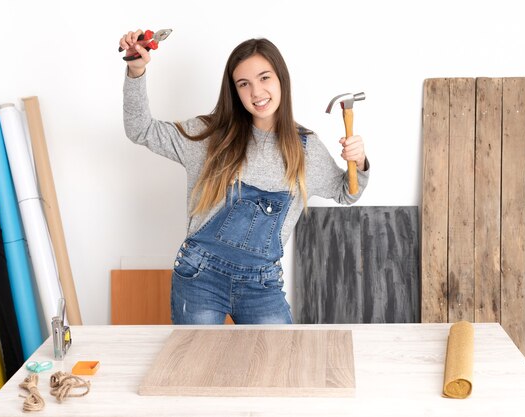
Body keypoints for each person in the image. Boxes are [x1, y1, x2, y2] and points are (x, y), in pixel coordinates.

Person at [120, 30, 369, 325]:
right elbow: (141, 129)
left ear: (281, 80)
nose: (256, 92)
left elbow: (346, 192)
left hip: (261, 286)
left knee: (278, 364)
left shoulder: (306, 148)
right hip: (200, 277)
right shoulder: (209, 137)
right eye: (244, 84)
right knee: (198, 366)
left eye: (264, 78)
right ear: (234, 91)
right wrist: (136, 70)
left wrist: (360, 162)